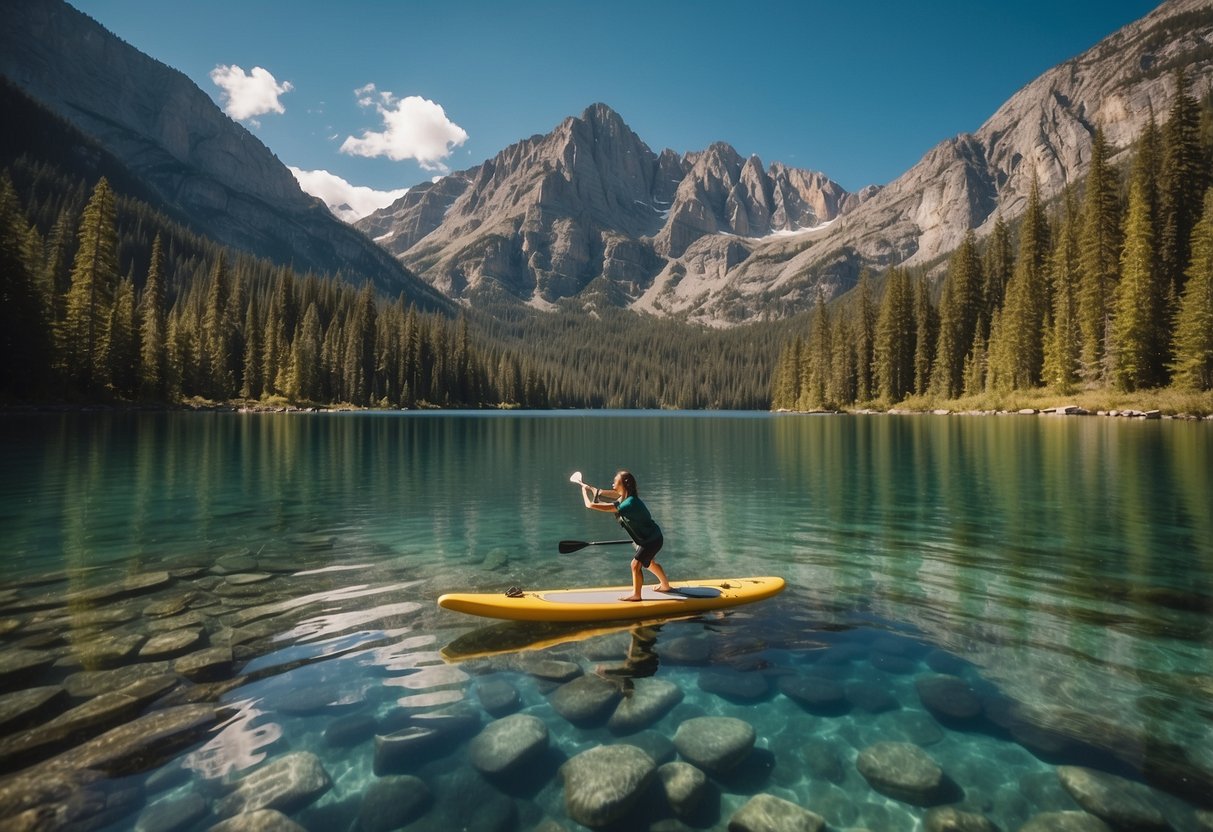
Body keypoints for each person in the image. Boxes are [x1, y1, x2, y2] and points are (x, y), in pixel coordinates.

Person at [581, 470, 673, 601]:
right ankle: (665, 586)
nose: (613, 482)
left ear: (624, 484)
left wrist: (584, 491)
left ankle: (636, 595)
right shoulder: (625, 497)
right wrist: (594, 490)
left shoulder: (628, 503)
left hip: (651, 540)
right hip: (651, 537)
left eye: (615, 481)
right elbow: (610, 493)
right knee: (649, 562)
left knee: (635, 565)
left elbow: (590, 505)